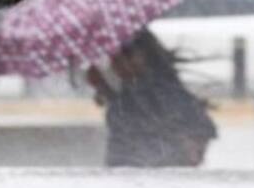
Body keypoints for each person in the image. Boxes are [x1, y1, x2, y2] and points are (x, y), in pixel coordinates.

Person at [85, 30, 217, 167]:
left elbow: (200, 129)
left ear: (145, 55)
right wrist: (104, 88)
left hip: (149, 174)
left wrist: (185, 151)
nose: (119, 61)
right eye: (114, 57)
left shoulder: (161, 89)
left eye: (127, 54)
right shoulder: (131, 89)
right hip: (126, 173)